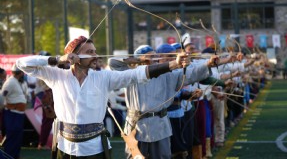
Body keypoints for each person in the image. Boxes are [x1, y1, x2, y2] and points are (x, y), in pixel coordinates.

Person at [16, 35, 189, 159]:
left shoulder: (103, 77)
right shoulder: (56, 75)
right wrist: (56, 59)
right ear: (74, 56)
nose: (96, 55)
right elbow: (22, 64)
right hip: (64, 147)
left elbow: (137, 74)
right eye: (90, 52)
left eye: (95, 51)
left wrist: (173, 64)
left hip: (94, 149)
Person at [108, 44, 219, 159]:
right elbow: (112, 62)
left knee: (163, 156)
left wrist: (208, 64)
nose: (152, 59)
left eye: (154, 56)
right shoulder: (131, 72)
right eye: (149, 57)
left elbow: (191, 74)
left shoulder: (166, 73)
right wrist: (138, 60)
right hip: (136, 125)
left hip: (160, 123)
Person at [1, 64, 29, 159]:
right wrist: (6, 106)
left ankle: (15, 156)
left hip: (19, 114)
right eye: (22, 73)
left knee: (18, 137)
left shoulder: (20, 82)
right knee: (12, 136)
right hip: (12, 113)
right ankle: (9, 156)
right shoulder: (10, 82)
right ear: (20, 73)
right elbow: (2, 96)